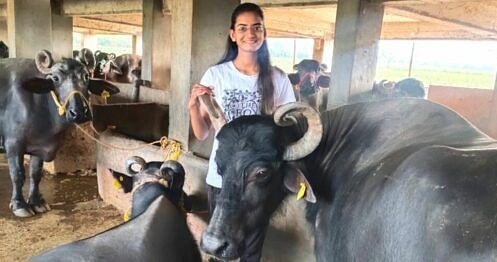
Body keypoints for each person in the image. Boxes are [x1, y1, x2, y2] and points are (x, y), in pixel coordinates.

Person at [188, 2, 296, 261]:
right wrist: (193, 106)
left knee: (251, 250)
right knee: (219, 245)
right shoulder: (216, 75)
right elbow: (202, 134)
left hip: (256, 183)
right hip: (222, 178)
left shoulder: (278, 79)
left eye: (257, 27)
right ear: (233, 34)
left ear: (264, 33)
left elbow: (289, 130)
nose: (251, 34)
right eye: (243, 28)